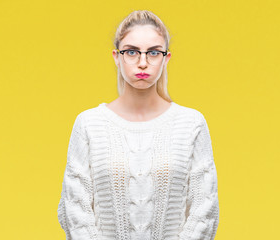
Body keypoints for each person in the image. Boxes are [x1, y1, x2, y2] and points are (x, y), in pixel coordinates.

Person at [57, 10, 219, 240]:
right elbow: (75, 210)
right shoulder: (89, 124)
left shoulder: (191, 124)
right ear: (116, 56)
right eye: (131, 52)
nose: (142, 62)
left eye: (153, 53)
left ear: (166, 58)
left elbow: (205, 209)